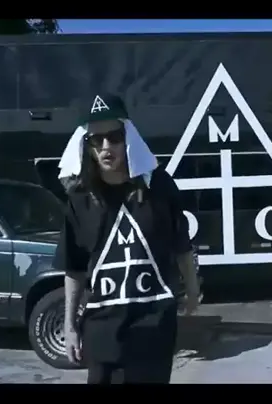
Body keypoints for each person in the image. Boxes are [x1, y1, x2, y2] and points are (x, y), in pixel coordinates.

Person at [54, 94, 201, 384]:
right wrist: (70, 326)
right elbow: (74, 267)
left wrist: (193, 291)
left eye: (114, 137)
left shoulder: (159, 187)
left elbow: (181, 244)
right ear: (87, 146)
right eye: (97, 140)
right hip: (101, 329)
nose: (106, 147)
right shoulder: (80, 199)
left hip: (153, 327)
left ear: (128, 138)